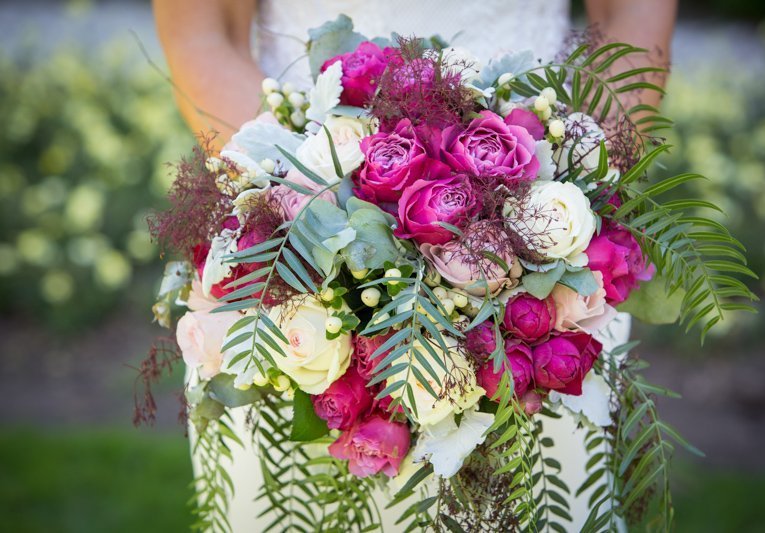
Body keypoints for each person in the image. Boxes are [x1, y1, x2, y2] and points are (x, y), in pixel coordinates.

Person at [153, 0, 677, 530]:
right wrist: (300, 215)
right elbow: (204, 34)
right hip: (291, 277)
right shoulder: (295, 245)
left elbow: (632, 21)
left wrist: (570, 189)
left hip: (548, 275)